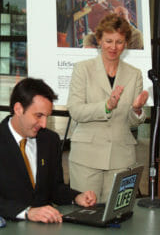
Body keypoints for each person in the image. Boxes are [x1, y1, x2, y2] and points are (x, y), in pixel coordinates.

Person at [0, 78, 96, 223]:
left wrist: (76, 197)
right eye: (38, 116)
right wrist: (27, 212)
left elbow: (55, 188)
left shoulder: (50, 140)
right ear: (18, 109)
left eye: (47, 117)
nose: (43, 124)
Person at [67, 13, 148, 203]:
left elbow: (133, 120)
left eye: (119, 42)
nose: (113, 47)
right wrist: (106, 106)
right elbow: (76, 110)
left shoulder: (134, 74)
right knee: (85, 215)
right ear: (99, 40)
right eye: (108, 41)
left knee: (116, 216)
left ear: (126, 42)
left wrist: (136, 110)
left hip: (121, 157)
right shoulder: (82, 69)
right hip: (86, 157)